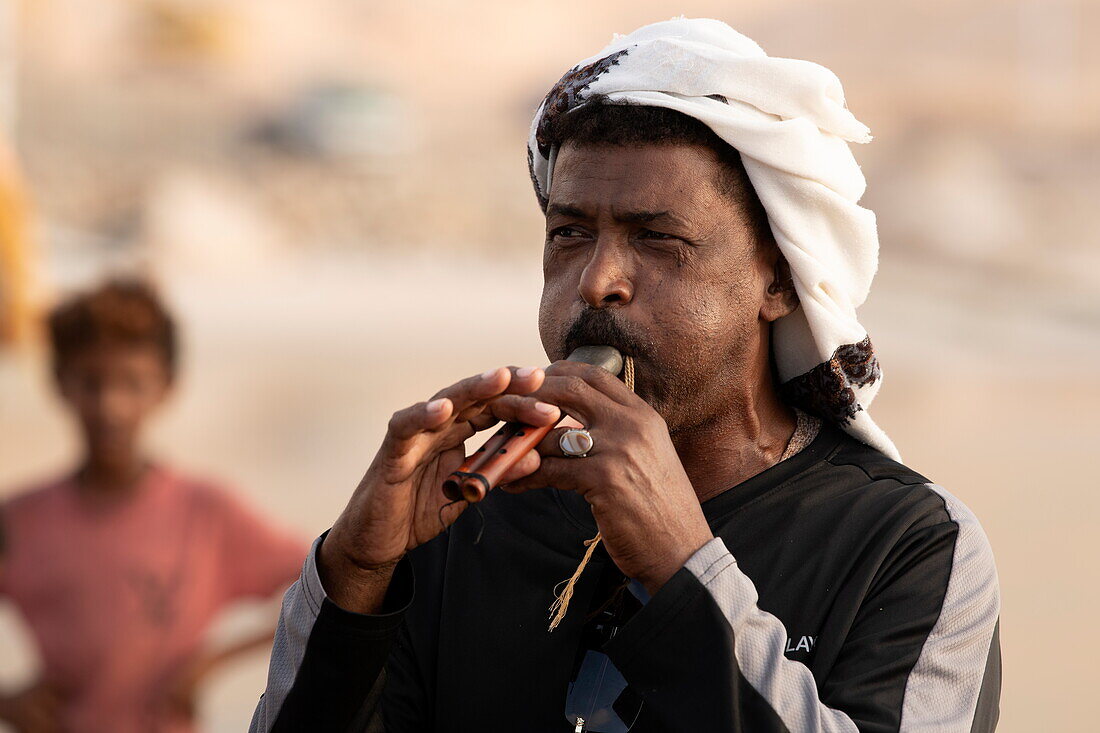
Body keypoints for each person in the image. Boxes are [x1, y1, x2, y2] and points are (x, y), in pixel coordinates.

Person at [251, 18, 1000, 732]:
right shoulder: (464, 518)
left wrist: (682, 569)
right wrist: (353, 575)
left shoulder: (910, 547)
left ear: (777, 279)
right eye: (570, 233)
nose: (597, 280)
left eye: (657, 239)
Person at [0, 280, 307, 733]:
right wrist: (6, 701)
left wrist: (212, 662)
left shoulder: (205, 513)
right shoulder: (21, 520)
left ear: (165, 386)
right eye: (92, 382)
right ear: (61, 382)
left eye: (131, 383)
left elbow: (319, 580)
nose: (111, 405)